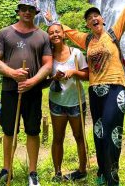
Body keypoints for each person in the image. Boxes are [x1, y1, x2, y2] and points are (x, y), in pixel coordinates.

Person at [49, 0, 125, 186]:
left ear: (102, 19)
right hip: (94, 90)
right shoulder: (87, 40)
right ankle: (101, 171)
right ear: (87, 25)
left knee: (111, 130)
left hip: (115, 87)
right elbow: (68, 32)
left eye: (96, 16)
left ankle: (112, 177)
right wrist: (53, 22)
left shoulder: (113, 33)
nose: (93, 19)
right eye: (89, 18)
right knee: (99, 132)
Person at [0, 0, 53, 186]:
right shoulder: (5, 33)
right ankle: (6, 170)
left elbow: (48, 64)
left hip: (33, 92)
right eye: (24, 8)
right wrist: (13, 73)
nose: (27, 12)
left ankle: (32, 173)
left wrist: (31, 81)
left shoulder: (43, 36)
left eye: (31, 9)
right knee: (9, 131)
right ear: (18, 11)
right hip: (10, 90)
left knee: (33, 131)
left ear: (36, 12)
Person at [46, 21, 89, 182]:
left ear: (64, 34)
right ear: (48, 37)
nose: (55, 34)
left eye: (58, 31)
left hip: (76, 101)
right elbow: (45, 78)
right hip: (57, 101)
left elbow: (87, 75)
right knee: (58, 137)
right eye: (51, 33)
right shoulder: (48, 56)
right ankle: (57, 173)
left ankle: (82, 170)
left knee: (79, 135)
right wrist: (53, 77)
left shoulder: (76, 53)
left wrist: (74, 72)